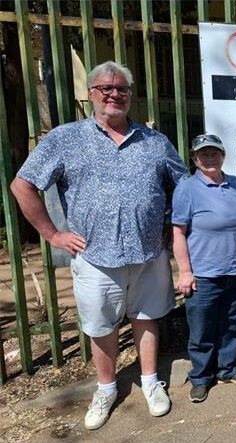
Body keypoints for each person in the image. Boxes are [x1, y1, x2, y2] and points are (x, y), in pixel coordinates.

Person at [11, 61, 188, 429]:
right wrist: (53, 234)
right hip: (95, 256)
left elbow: (183, 184)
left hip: (148, 253)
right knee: (101, 325)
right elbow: (22, 185)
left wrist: (169, 223)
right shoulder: (65, 138)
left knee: (146, 317)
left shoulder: (155, 141)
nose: (114, 94)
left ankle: (150, 381)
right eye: (106, 88)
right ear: (91, 93)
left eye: (122, 88)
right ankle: (106, 388)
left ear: (130, 94)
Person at [172, 134, 236, 403]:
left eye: (215, 153)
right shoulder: (187, 189)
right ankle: (201, 377)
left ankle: (228, 369)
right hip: (204, 275)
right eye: (204, 154)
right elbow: (178, 232)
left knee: (233, 323)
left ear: (223, 156)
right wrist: (185, 272)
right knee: (202, 329)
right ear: (195, 159)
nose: (210, 158)